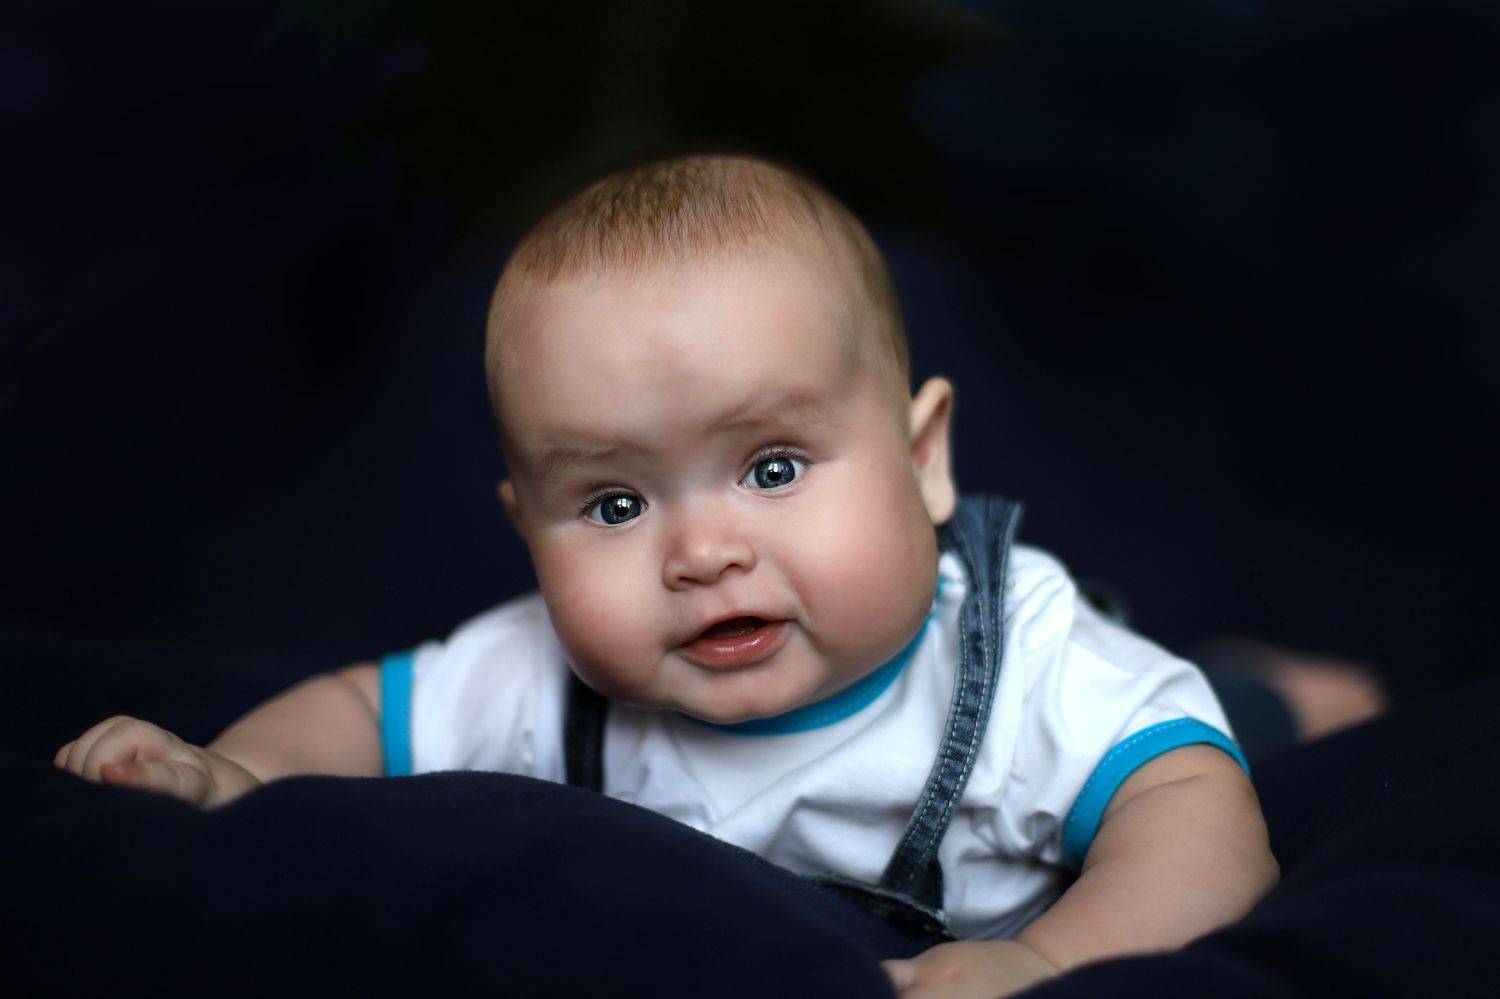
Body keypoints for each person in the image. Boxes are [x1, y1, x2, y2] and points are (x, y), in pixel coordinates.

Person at [53, 154, 1383, 997]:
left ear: (924, 460)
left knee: (1218, 723)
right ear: (528, 531)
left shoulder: (1031, 656)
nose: (701, 553)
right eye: (615, 504)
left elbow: (1194, 818)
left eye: (773, 467)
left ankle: (1280, 687)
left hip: (1133, 725)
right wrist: (234, 773)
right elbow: (359, 709)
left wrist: (1049, 959)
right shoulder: (541, 678)